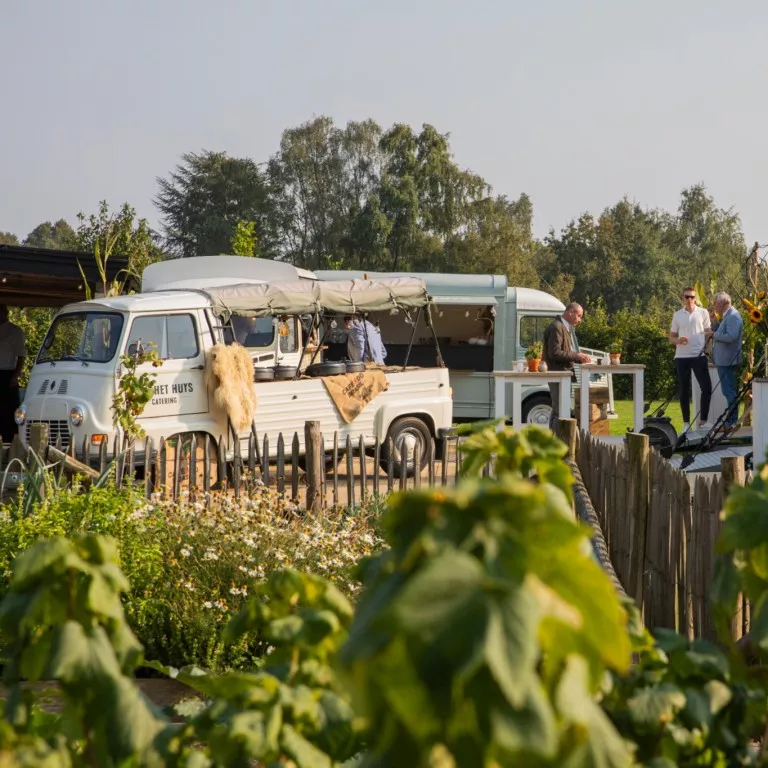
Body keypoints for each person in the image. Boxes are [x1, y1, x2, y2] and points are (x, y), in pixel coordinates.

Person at [542, 302, 591, 432]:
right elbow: (555, 353)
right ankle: (558, 443)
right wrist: (576, 356)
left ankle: (553, 440)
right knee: (560, 410)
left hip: (562, 374)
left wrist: (579, 358)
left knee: (558, 409)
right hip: (558, 374)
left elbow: (564, 353)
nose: (580, 320)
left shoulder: (563, 326)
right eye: (579, 316)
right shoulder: (557, 327)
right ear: (571, 312)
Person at [669, 287, 712, 432]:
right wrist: (678, 340)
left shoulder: (703, 312)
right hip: (682, 357)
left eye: (692, 297)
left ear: (695, 298)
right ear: (682, 298)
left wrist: (708, 351)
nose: (689, 300)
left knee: (706, 388)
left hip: (699, 356)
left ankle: (703, 421)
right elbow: (671, 337)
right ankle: (686, 424)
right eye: (687, 297)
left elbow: (708, 333)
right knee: (684, 390)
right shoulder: (677, 315)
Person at [706, 291, 743, 433]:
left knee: (729, 391)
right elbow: (725, 330)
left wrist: (713, 334)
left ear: (721, 304)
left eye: (715, 303)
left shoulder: (733, 316)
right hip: (724, 360)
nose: (714, 306)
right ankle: (731, 421)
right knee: (727, 391)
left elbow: (731, 336)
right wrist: (715, 323)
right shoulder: (728, 316)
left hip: (728, 360)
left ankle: (732, 422)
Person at [0, 305, 26, 444]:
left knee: (8, 410)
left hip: (8, 374)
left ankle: (10, 441)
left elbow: (21, 357)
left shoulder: (15, 331)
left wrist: (15, 376)